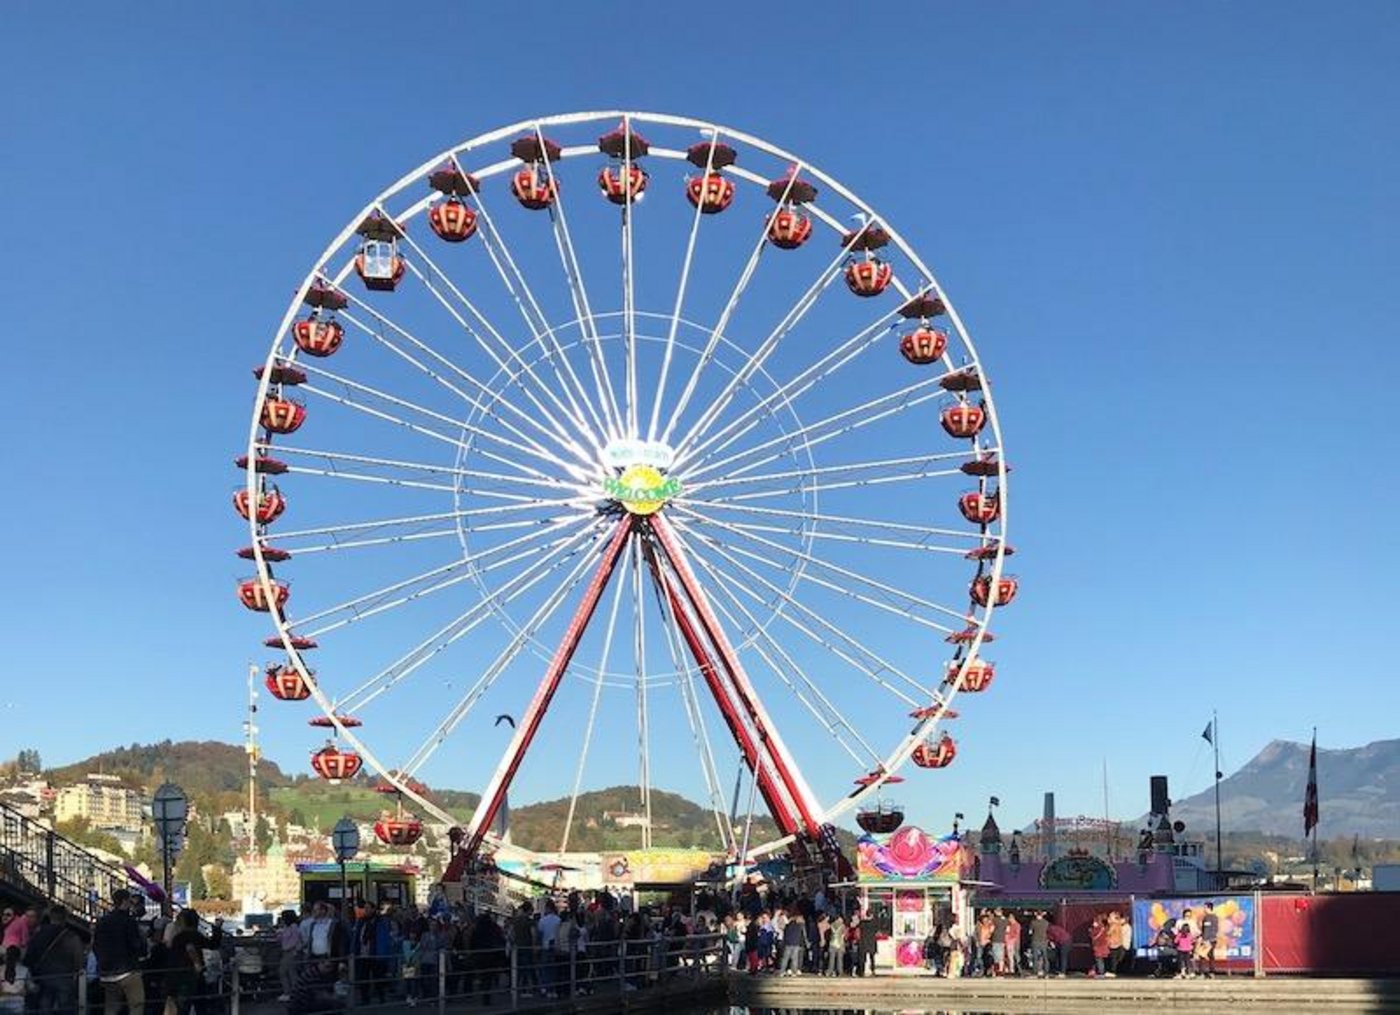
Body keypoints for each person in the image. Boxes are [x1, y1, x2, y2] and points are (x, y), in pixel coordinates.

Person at [92, 890, 146, 1015]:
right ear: (125, 901)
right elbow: (136, 945)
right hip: (127, 970)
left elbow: (95, 945)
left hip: (107, 971)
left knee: (111, 1008)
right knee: (136, 1005)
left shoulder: (102, 921)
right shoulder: (129, 921)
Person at [24, 905, 84, 1015]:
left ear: (51, 917)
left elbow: (30, 955)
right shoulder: (71, 936)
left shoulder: (39, 934)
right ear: (65, 918)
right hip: (65, 976)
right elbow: (79, 958)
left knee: (44, 1007)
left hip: (43, 976)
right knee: (65, 1008)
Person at [166, 910, 223, 1015]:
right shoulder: (194, 935)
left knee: (183, 1007)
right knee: (200, 1004)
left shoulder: (179, 937)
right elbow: (212, 944)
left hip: (180, 973)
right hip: (193, 973)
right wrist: (217, 929)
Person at [275, 910, 302, 1003]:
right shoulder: (286, 927)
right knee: (290, 973)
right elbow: (280, 939)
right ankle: (293, 992)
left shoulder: (294, 927)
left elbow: (294, 940)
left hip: (291, 952)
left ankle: (289, 992)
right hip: (286, 952)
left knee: (284, 972)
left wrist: (287, 947)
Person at [0, 947, 29, 1015]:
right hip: (18, 1007)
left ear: (6, 957)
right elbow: (32, 987)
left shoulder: (0, 969)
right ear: (19, 958)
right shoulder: (25, 970)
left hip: (2, 1005)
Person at [778, 912, 804, 976]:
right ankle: (794, 972)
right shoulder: (799, 926)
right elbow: (800, 935)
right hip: (796, 944)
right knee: (794, 959)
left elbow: (785, 934)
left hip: (788, 943)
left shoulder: (788, 925)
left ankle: (782, 971)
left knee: (785, 958)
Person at [1199, 903, 1219, 978]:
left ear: (1208, 908)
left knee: (1202, 956)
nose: (1203, 909)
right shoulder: (1216, 917)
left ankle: (1202, 973)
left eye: (1204, 908)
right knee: (1211, 956)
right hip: (1213, 939)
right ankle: (1212, 972)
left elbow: (1206, 929)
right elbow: (1215, 929)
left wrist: (1205, 939)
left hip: (1208, 940)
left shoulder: (1208, 917)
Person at [856, 912, 878, 977]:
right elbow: (876, 932)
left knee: (862, 958)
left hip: (863, 942)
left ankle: (861, 972)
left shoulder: (862, 923)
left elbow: (858, 931)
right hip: (871, 942)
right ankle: (873, 970)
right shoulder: (874, 923)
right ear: (871, 915)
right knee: (872, 958)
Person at [1029, 911, 1050, 978]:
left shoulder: (1033, 922)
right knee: (1045, 957)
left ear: (1036, 915)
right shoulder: (1046, 923)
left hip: (1035, 941)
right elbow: (1048, 931)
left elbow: (1030, 932)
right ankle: (1046, 972)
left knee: (1035, 957)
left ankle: (1036, 972)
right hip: (1044, 941)